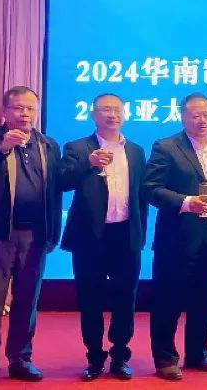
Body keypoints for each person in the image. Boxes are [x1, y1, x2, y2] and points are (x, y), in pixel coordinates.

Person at [0, 86, 63, 390]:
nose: (25, 114)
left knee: (27, 301)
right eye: (19, 108)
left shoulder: (47, 144)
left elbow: (57, 187)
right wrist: (2, 149)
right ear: (5, 111)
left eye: (30, 109)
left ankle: (20, 359)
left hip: (35, 236)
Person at [143, 93, 207, 381]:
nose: (202, 120)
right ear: (183, 117)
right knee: (168, 299)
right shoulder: (166, 147)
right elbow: (150, 189)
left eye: (206, 114)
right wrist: (185, 202)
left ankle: (197, 352)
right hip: (177, 237)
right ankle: (165, 358)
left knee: (204, 298)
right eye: (195, 115)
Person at [58, 93, 147, 381]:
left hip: (125, 235)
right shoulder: (78, 147)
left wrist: (140, 233)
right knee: (90, 300)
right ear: (94, 115)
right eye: (106, 110)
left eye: (117, 110)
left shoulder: (135, 151)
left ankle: (120, 357)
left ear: (125, 114)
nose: (112, 115)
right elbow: (62, 180)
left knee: (125, 299)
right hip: (90, 237)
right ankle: (94, 358)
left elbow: (141, 196)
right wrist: (89, 163)